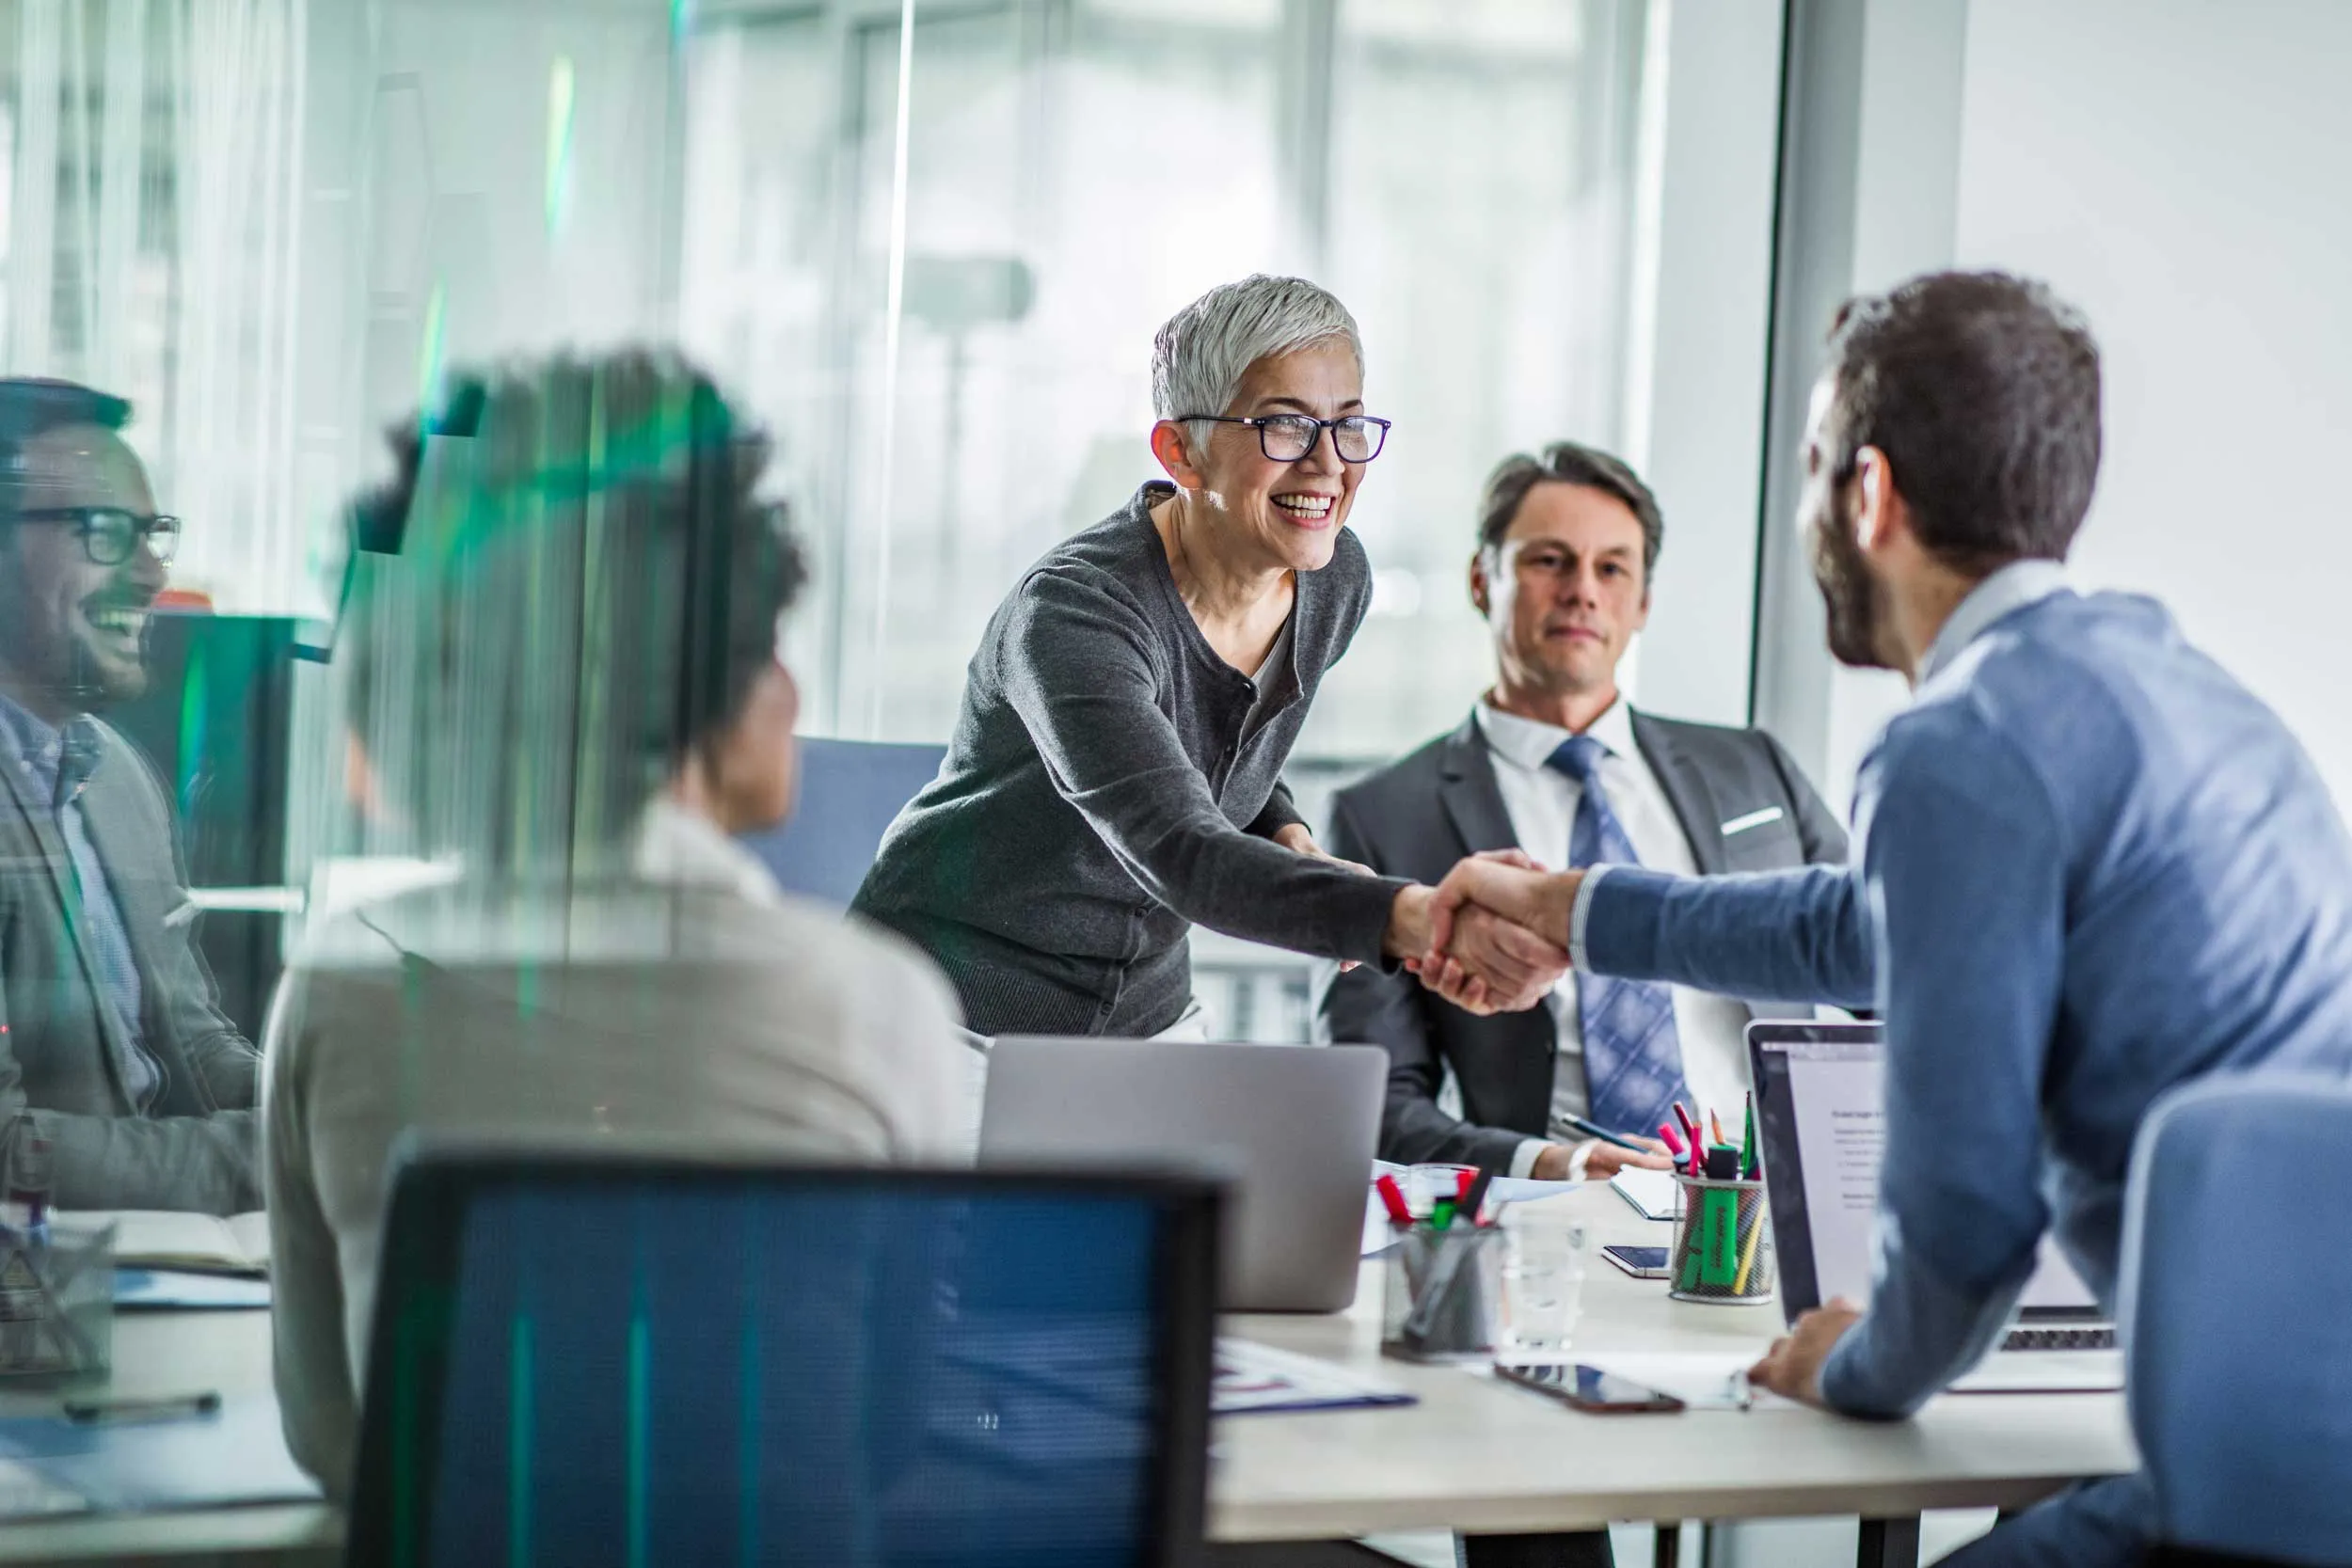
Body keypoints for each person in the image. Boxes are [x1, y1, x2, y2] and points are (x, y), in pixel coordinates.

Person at [1420, 272, 2352, 1565]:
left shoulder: (1963, 747)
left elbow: (1965, 1226)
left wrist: (1856, 1361)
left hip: (2261, 1476)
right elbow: (1864, 930)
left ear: (1867, 494)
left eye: (1810, 468)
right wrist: (1573, 908)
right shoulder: (2186, 692)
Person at [263, 352, 972, 1497]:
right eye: (767, 641)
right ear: (708, 680)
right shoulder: (878, 1004)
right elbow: (876, 1441)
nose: (790, 686)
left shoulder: (341, 983)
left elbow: (340, 1445)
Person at [851, 275, 1556, 1038]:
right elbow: (1179, 846)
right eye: (1285, 427)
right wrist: (1418, 919)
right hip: (951, 1018)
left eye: (1348, 425)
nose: (1328, 465)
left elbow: (1220, 749)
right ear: (1181, 451)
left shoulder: (1332, 583)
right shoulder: (1073, 614)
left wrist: (1281, 827)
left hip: (1144, 1018)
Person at [1318, 441, 1845, 1181]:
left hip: (1777, 1205)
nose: (1582, 592)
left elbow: (1883, 962)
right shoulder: (1383, 815)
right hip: (1553, 1218)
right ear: (1482, 580)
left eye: (1612, 567)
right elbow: (1370, 1100)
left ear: (1643, 602)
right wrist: (1552, 1164)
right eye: (1549, 561)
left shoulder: (1755, 767)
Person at [0, 378, 260, 1214]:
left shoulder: (114, 770)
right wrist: (272, 1159)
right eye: (107, 531)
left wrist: (322, 1107)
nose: (152, 574)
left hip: (141, 1266)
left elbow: (187, 1041)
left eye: (153, 535)